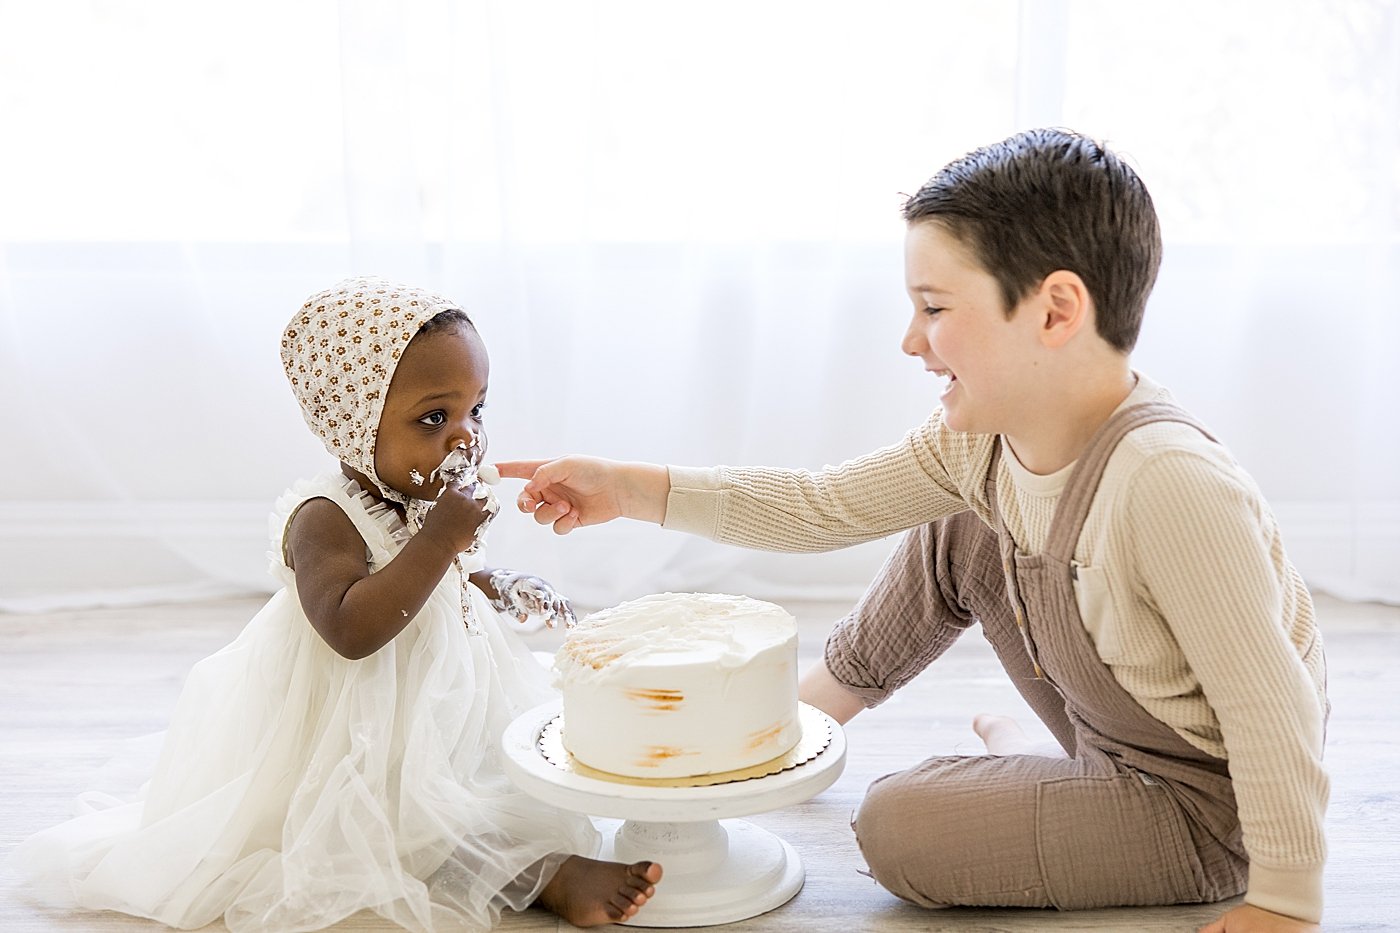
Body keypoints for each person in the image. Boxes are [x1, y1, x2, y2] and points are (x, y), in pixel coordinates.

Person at [496, 129, 1329, 932]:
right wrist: (627, 489)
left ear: (1056, 310)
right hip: (1110, 726)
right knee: (963, 524)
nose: (910, 340)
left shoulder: (1168, 482)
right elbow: (825, 504)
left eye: (933, 307)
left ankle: (1071, 782)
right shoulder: (982, 443)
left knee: (896, 825)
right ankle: (816, 718)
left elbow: (1272, 706)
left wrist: (1287, 898)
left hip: (1202, 806)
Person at [5, 277, 662, 931]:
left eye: (477, 410)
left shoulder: (417, 498)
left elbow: (444, 582)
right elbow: (351, 629)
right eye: (435, 417)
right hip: (356, 730)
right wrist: (439, 537)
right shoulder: (324, 519)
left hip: (440, 707)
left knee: (485, 784)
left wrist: (498, 582)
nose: (465, 438)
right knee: (400, 829)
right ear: (355, 420)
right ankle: (547, 876)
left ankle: (513, 847)